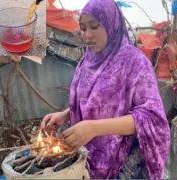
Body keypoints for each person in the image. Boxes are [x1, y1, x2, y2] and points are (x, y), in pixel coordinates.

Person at [41, 0, 170, 179]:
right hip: (89, 157)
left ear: (111, 24)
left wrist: (94, 128)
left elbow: (152, 118)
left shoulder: (134, 63)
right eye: (84, 28)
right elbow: (97, 102)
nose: (87, 35)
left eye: (94, 26)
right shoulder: (87, 62)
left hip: (123, 161)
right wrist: (66, 114)